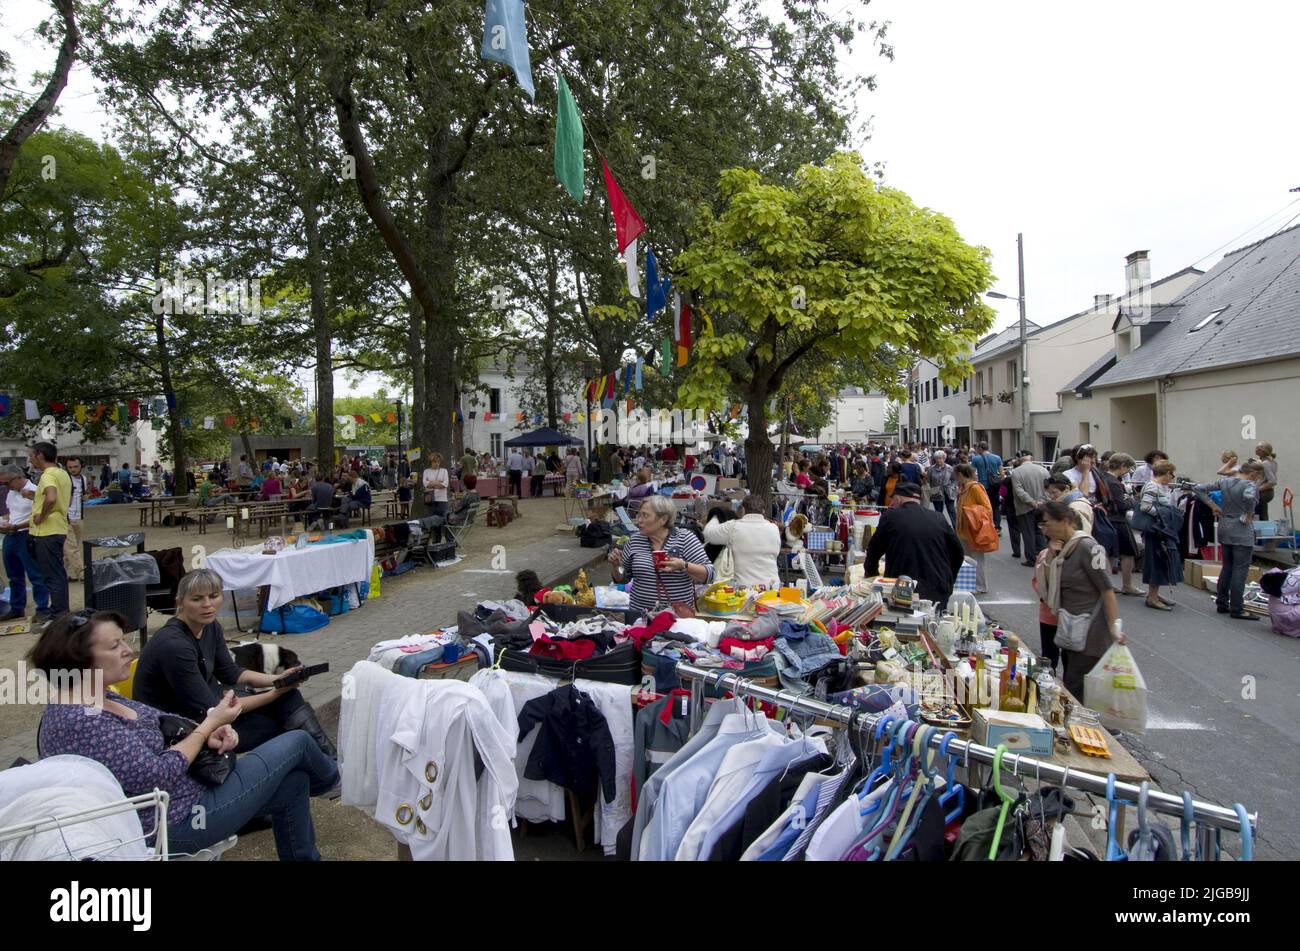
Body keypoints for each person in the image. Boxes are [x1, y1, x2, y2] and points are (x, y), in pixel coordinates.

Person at [32, 609, 337, 860]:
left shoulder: (101, 697)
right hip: (173, 823)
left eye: (123, 641)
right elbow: (157, 775)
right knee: (296, 742)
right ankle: (336, 780)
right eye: (114, 646)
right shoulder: (81, 721)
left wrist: (209, 734)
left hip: (187, 797)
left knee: (294, 783)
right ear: (78, 660)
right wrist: (208, 725)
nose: (128, 651)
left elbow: (168, 721)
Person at [135, 569, 336, 755]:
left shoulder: (210, 626)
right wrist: (275, 692)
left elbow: (231, 672)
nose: (207, 605)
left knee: (289, 698)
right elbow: (213, 707)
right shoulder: (174, 645)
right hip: (182, 728)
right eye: (197, 599)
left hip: (208, 712)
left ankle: (330, 765)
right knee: (283, 721)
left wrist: (278, 679)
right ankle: (326, 773)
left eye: (213, 596)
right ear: (179, 601)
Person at [1035, 500, 1127, 698]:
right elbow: (1047, 587)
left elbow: (1107, 589)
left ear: (1065, 520)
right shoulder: (1062, 550)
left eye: (1047, 523)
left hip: (1091, 630)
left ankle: (1091, 728)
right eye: (1041, 525)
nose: (1044, 530)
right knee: (1072, 681)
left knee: (1077, 688)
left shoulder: (1088, 547)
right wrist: (1051, 555)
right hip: (1070, 624)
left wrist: (1114, 626)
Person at [608, 494, 714, 615]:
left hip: (676, 617)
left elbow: (710, 574)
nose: (639, 520)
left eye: (645, 515)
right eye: (639, 514)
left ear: (663, 519)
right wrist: (616, 567)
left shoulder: (685, 538)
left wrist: (683, 565)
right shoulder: (635, 541)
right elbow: (623, 579)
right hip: (640, 616)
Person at [865, 483, 965, 606]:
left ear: (898, 499)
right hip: (937, 586)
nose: (892, 504)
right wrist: (949, 578)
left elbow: (874, 550)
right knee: (933, 621)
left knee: (903, 622)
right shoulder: (938, 517)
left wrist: (871, 573)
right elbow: (958, 552)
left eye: (893, 500)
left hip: (902, 589)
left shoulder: (891, 517)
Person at [1194, 462, 1263, 620]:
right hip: (1241, 528)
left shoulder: (1225, 482)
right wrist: (1250, 513)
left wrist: (1212, 505)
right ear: (1254, 473)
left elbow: (1198, 488)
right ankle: (1237, 608)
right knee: (1240, 569)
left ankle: (1222, 602)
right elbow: (1249, 496)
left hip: (1225, 525)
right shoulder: (1249, 484)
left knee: (1227, 567)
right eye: (1259, 476)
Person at [0, 464, 51, 624]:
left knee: (35, 574)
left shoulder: (34, 491)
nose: (6, 486)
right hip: (11, 535)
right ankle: (17, 607)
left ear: (18, 478)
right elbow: (12, 513)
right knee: (14, 575)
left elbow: (39, 517)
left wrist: (16, 526)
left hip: (26, 535)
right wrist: (6, 523)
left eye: (7, 483)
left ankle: (42, 608)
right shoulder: (11, 493)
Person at [28, 442, 71, 622]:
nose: (30, 459)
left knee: (51, 575)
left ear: (39, 455)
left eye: (31, 455)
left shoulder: (48, 475)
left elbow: (51, 498)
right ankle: (60, 611)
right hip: (58, 528)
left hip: (46, 531)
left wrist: (41, 516)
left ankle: (59, 614)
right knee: (57, 573)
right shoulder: (62, 473)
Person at [703, 495, 781, 589]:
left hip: (745, 590)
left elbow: (708, 533)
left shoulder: (733, 527)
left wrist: (717, 514)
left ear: (743, 509)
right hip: (772, 587)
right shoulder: (774, 528)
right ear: (763, 511)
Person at [1138, 461, 1183, 611]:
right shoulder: (1153, 486)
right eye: (1172, 474)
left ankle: (1154, 595)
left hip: (1158, 531)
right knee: (1157, 561)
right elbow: (1145, 506)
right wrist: (1163, 514)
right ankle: (1152, 597)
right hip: (1156, 532)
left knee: (1159, 561)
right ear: (1167, 473)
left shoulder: (1155, 486)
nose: (1172, 478)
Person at [1100, 453, 1146, 598]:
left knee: (1110, 553)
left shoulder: (1103, 477)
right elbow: (1121, 505)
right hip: (1117, 520)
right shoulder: (1114, 482)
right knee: (1128, 552)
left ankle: (1108, 584)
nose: (1128, 471)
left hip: (1107, 518)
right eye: (1128, 468)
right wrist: (1132, 501)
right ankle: (1127, 585)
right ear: (1122, 466)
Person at [954, 464, 996, 594]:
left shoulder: (975, 488)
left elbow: (987, 508)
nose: (955, 478)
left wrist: (970, 512)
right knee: (967, 557)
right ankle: (970, 584)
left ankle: (980, 586)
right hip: (964, 529)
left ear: (961, 474)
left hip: (973, 529)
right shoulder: (964, 488)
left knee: (976, 558)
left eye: (956, 475)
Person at [1011, 450, 1050, 565]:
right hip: (1042, 506)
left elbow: (1019, 491)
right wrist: (1042, 501)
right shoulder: (1043, 470)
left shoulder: (1016, 472)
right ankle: (1043, 554)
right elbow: (1048, 488)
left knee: (1028, 533)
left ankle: (1031, 558)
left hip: (1025, 507)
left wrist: (1032, 502)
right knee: (1040, 531)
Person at [426, 474, 481, 543]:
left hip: (459, 519)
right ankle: (447, 541)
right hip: (468, 519)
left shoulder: (468, 496)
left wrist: (453, 499)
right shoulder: (477, 495)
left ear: (466, 484)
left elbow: (455, 509)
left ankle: (446, 541)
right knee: (441, 514)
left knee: (438, 514)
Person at [63, 456, 88, 583]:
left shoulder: (84, 479)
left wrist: (85, 497)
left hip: (79, 517)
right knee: (72, 547)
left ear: (81, 466)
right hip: (66, 517)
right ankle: (82, 574)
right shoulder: (65, 479)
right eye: (70, 467)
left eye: (75, 466)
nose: (73, 469)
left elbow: (84, 494)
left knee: (71, 548)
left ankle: (62, 573)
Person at [970, 441, 1005, 533]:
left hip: (982, 486)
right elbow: (1002, 474)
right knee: (996, 506)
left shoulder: (976, 459)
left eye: (977, 448)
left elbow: (972, 474)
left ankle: (986, 526)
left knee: (983, 507)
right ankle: (997, 527)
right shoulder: (997, 458)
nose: (976, 450)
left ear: (980, 448)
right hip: (995, 486)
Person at [1253, 442, 1279, 549]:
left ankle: (1269, 539)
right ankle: (1270, 541)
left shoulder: (1266, 463)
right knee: (1263, 516)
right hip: (1266, 493)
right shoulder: (1270, 462)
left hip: (1264, 493)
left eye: (1258, 447)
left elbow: (1272, 481)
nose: (1255, 449)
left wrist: (1257, 489)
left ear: (1263, 451)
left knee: (1251, 511)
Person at [925, 450, 957, 525]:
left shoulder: (950, 468)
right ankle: (941, 529)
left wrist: (952, 487)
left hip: (948, 492)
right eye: (937, 458)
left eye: (940, 458)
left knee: (952, 511)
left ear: (944, 458)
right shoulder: (931, 469)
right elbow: (929, 481)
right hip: (936, 493)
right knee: (938, 513)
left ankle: (956, 530)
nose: (938, 460)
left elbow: (954, 480)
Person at [423, 452, 450, 520]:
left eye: (438, 461)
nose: (437, 463)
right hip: (431, 500)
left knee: (444, 519)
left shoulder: (444, 471)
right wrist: (439, 482)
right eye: (435, 462)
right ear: (431, 462)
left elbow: (445, 484)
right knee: (432, 520)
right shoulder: (426, 471)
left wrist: (431, 483)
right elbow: (426, 484)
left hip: (442, 499)